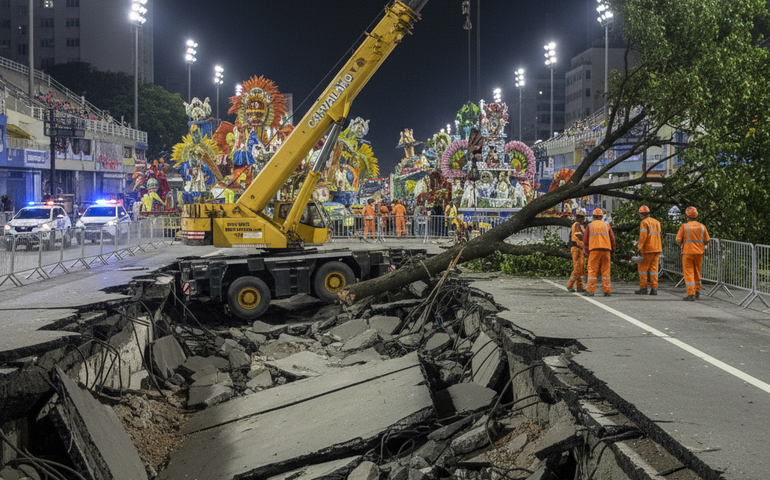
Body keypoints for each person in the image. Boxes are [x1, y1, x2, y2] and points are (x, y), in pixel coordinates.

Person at [676, 206, 710, 301]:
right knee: (697, 272)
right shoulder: (702, 227)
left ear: (687, 216)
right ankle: (697, 291)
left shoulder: (684, 226)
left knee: (688, 272)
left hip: (687, 252)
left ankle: (691, 294)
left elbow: (678, 239)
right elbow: (707, 240)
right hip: (699, 252)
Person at [583, 208, 615, 297]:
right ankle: (607, 290)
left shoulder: (590, 226)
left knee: (592, 270)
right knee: (606, 270)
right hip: (606, 250)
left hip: (594, 250)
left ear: (593, 217)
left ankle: (590, 290)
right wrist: (613, 252)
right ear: (601, 216)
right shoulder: (607, 226)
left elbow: (585, 242)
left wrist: (586, 253)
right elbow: (612, 240)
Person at [635, 205, 663, 295]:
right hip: (657, 248)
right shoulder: (657, 222)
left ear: (640, 214)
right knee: (654, 270)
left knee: (643, 269)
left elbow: (643, 237)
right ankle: (654, 289)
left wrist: (639, 247)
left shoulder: (644, 222)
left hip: (647, 249)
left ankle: (643, 288)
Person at [567, 210, 586, 293]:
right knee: (577, 268)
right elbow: (579, 237)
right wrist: (585, 246)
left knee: (580, 268)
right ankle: (570, 285)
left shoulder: (577, 225)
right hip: (576, 249)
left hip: (578, 249)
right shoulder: (577, 225)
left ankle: (579, 286)